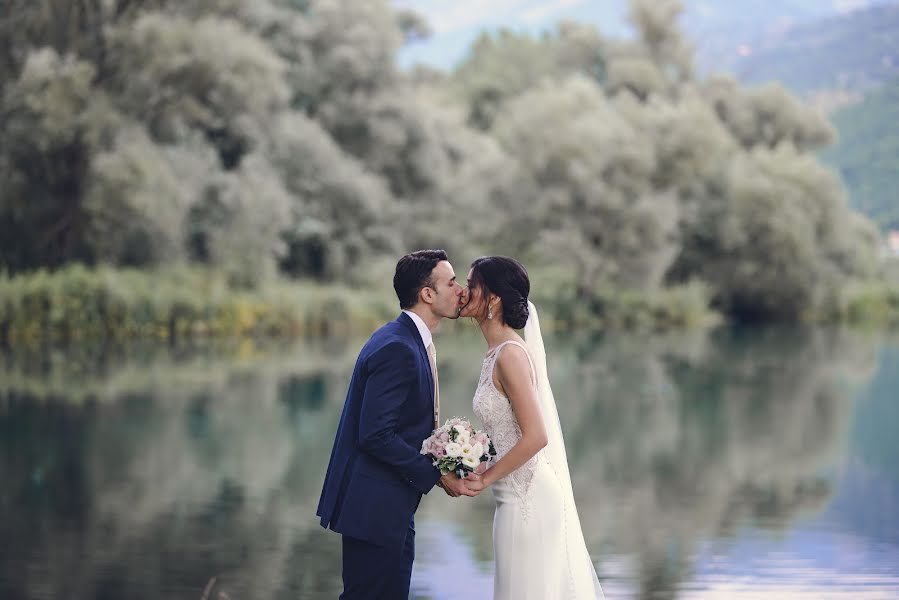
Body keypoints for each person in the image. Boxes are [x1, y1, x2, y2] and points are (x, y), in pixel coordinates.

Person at [316, 249, 480, 600]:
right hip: (373, 509)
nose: (460, 290)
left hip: (389, 506)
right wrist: (436, 473)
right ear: (427, 294)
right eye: (451, 282)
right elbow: (375, 435)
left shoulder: (406, 339)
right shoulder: (398, 347)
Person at [460, 256, 605, 599]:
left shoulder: (510, 354)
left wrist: (485, 478)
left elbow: (537, 436)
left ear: (492, 298)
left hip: (528, 499)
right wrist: (475, 458)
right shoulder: (494, 352)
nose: (464, 293)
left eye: (471, 285)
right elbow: (504, 428)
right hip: (509, 498)